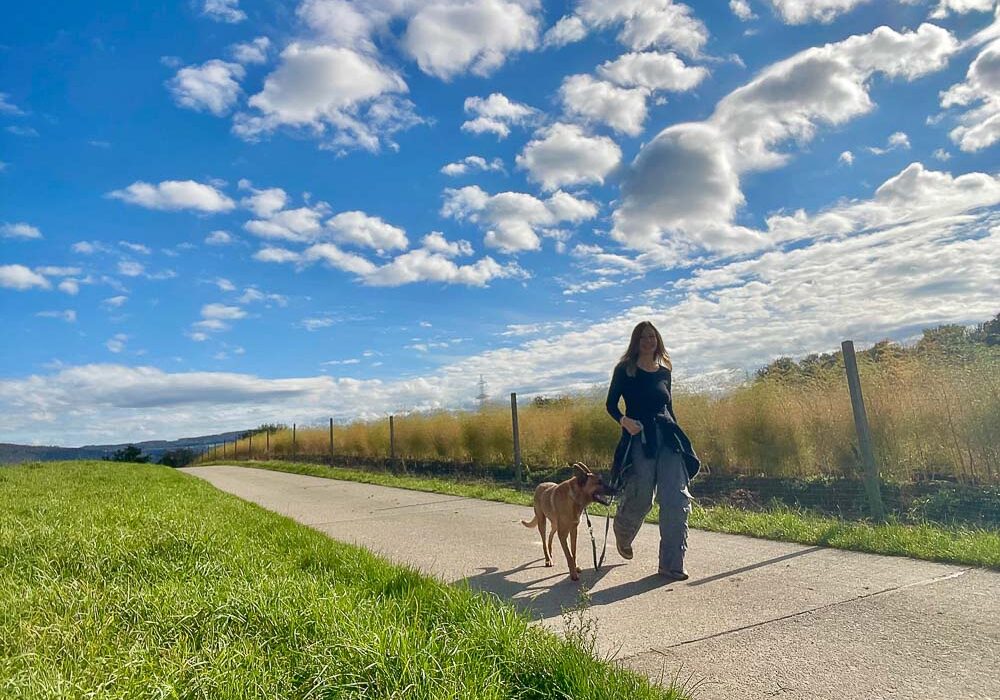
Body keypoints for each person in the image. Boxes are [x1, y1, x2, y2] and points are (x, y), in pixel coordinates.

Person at [605, 321, 701, 581]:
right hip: (640, 438)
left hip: (667, 438)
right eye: (643, 337)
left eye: (652, 336)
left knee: (676, 499)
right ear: (635, 342)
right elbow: (611, 405)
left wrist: (679, 439)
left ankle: (671, 565)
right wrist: (624, 421)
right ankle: (623, 532)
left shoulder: (665, 372)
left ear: (657, 340)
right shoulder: (625, 370)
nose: (648, 341)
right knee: (641, 496)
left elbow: (669, 407)